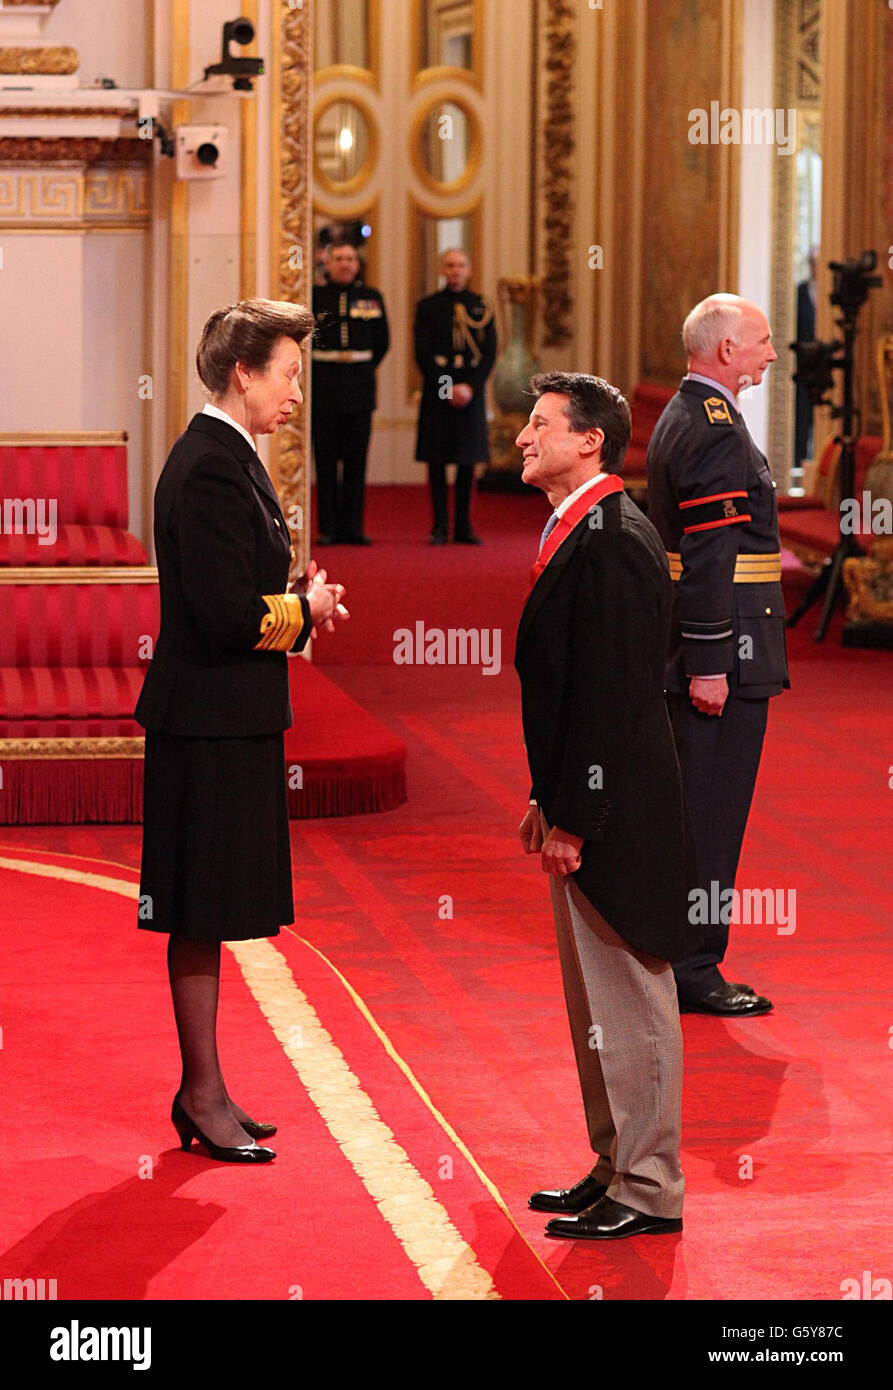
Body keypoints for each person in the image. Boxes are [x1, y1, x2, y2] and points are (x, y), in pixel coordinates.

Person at [135, 298, 348, 1163]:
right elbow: (225, 613)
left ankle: (208, 1088)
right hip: (207, 721)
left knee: (213, 906)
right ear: (243, 373)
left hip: (228, 715)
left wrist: (293, 596)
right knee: (200, 906)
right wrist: (305, 609)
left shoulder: (233, 455)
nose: (296, 390)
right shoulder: (214, 464)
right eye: (289, 373)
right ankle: (200, 1091)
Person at [515, 372, 697, 1240]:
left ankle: (650, 1184)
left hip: (615, 813)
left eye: (541, 423)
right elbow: (569, 687)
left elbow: (617, 696)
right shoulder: (577, 527)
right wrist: (543, 797)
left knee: (629, 995)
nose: (523, 435)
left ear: (590, 440)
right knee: (595, 1006)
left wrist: (578, 815)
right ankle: (614, 1159)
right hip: (584, 801)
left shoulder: (615, 537)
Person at [646, 293, 789, 1018]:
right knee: (709, 815)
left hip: (714, 644)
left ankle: (682, 955)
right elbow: (708, 556)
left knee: (697, 809)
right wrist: (709, 663)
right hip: (722, 652)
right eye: (761, 343)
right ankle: (694, 966)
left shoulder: (693, 416)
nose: (770, 354)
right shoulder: (713, 431)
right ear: (725, 351)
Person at [414, 248, 497, 545]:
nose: (455, 271)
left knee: (467, 462)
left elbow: (488, 354)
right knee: (437, 462)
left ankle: (463, 526)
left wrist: (470, 388)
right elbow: (423, 354)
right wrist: (447, 388)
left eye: (461, 265)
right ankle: (439, 526)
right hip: (440, 390)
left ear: (469, 270)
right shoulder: (428, 306)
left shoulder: (481, 307)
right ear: (442, 269)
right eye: (450, 265)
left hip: (470, 391)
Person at [311, 240, 390, 545]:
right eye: (339, 258)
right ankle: (328, 528)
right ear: (327, 263)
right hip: (325, 388)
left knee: (356, 463)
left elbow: (382, 341)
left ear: (358, 264)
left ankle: (353, 527)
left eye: (350, 259)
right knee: (326, 463)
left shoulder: (371, 297)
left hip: (359, 389)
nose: (345, 264)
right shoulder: (315, 296)